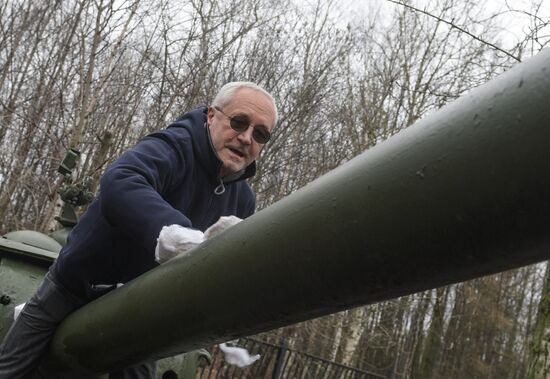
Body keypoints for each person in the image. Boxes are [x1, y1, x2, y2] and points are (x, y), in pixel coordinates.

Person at [0, 81, 278, 378]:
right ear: (211, 116)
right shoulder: (174, 148)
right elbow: (121, 180)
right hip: (75, 283)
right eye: (239, 122)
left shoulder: (242, 202)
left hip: (138, 308)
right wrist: (174, 234)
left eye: (260, 134)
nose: (246, 138)